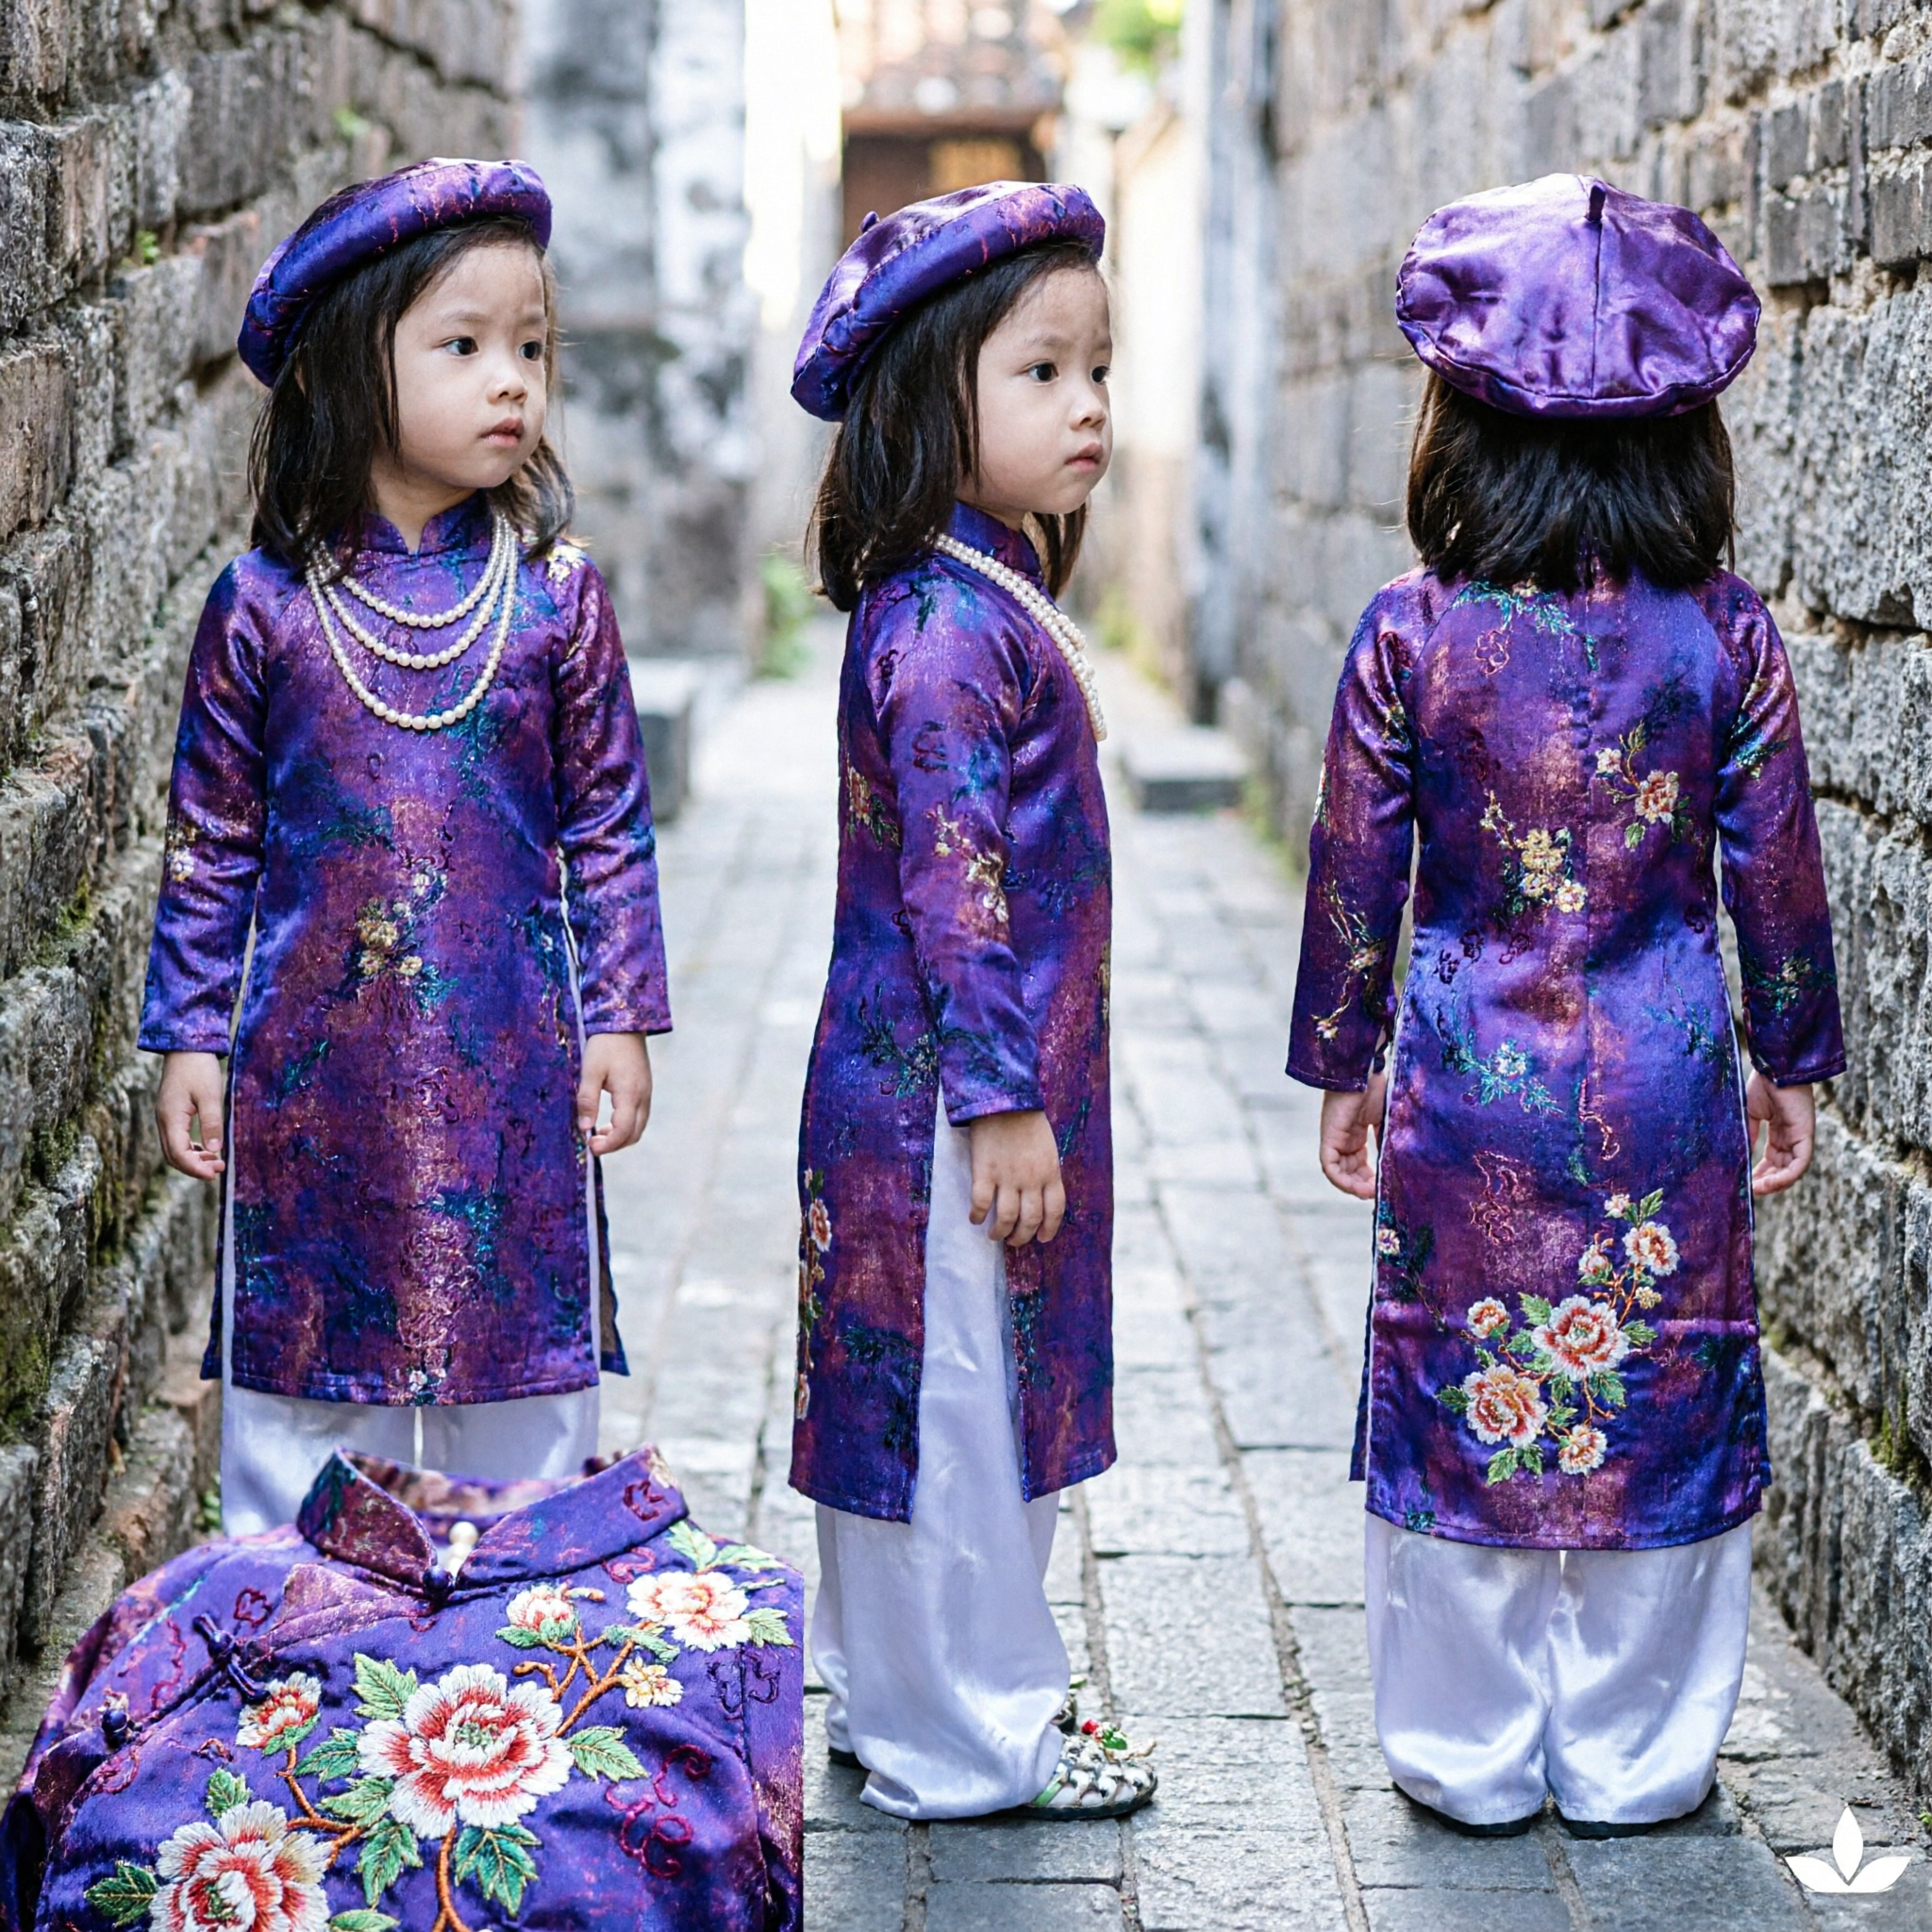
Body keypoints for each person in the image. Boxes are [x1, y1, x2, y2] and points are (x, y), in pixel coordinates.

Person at [1288, 174, 1845, 1838]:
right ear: (1687, 443)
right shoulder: (1723, 638)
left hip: (1468, 1097)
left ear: (1457, 434)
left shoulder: (1413, 637)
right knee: (1663, 1382)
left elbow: (1350, 872)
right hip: (1667, 1078)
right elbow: (1782, 877)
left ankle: (1463, 1753)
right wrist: (1792, 1059)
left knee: (1466, 1386)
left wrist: (1342, 1063)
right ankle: (1636, 1757)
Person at [139, 158, 670, 1536]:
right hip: (314, 1075)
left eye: (532, 348)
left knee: (519, 1375)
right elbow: (212, 839)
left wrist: (621, 1014)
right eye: (465, 346)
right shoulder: (265, 606)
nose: (514, 382)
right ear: (342, 376)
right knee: (311, 1366)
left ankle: (519, 1645)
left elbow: (609, 817)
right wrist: (193, 1033)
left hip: (514, 1059)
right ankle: (297, 1652)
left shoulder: (557, 600)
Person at [786, 182, 1155, 1822]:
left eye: (1098, 370)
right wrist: (1002, 1100)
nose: (1087, 406)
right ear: (933, 397)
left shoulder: (973, 593)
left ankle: (913, 1697)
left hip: (957, 1081)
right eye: (1043, 375)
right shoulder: (946, 629)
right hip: (946, 1096)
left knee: (937, 1394)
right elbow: (957, 885)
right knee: (948, 1405)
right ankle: (964, 1736)